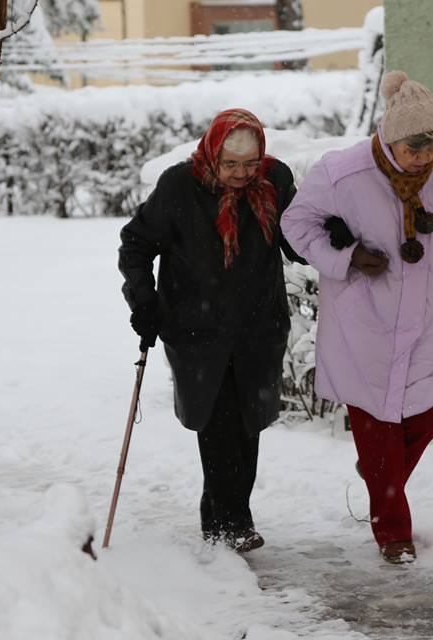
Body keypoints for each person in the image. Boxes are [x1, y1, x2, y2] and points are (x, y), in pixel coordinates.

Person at [281, 71, 433, 564]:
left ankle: (381, 473)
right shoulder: (343, 173)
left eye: (432, 144)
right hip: (364, 324)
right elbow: (296, 225)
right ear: (389, 136)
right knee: (376, 421)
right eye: (413, 146)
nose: (424, 155)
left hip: (429, 321)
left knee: (432, 413)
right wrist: (347, 257)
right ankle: (394, 534)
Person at [118, 109, 305, 553]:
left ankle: (228, 516)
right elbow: (136, 243)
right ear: (212, 153)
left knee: (248, 425)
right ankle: (229, 524)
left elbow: (297, 239)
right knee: (217, 423)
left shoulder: (275, 181)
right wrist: (143, 301)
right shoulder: (180, 186)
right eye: (231, 165)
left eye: (250, 164)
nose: (241, 175)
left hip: (259, 326)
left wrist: (334, 235)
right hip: (197, 328)